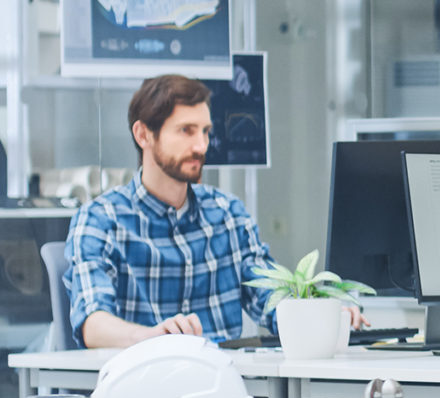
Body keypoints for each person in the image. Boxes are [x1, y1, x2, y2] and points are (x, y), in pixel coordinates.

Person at [65, 74, 367, 349]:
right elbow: (93, 324)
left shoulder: (227, 214)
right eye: (186, 131)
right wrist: (151, 337)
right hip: (146, 388)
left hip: (227, 387)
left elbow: (270, 298)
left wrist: (320, 315)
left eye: (206, 132)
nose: (201, 145)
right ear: (143, 134)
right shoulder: (100, 219)